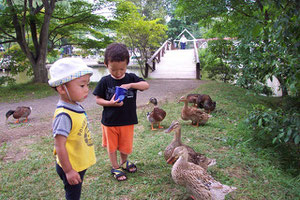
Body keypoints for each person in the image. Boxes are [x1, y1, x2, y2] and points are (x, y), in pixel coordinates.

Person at [93, 43, 149, 181]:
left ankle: (124, 163)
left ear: (127, 64)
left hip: (127, 120)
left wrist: (130, 85)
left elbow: (145, 85)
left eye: (122, 69)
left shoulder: (130, 78)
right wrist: (110, 103)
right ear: (106, 64)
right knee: (112, 146)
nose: (118, 73)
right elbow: (98, 99)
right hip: (110, 121)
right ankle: (115, 166)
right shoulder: (105, 81)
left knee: (125, 145)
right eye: (114, 69)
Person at [48, 57, 96, 200]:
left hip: (77, 163)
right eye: (82, 86)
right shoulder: (64, 115)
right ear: (62, 88)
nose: (87, 89)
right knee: (73, 196)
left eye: (87, 84)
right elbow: (59, 145)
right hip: (71, 166)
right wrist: (68, 171)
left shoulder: (74, 105)